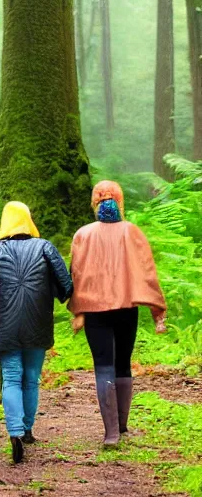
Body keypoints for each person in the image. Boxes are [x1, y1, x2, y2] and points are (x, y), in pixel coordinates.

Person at [68, 180, 167, 446]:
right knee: (123, 364)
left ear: (94, 203)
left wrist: (77, 310)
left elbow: (76, 273)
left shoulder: (83, 234)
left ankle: (111, 433)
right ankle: (122, 426)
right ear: (120, 202)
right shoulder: (132, 232)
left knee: (103, 366)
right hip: (126, 309)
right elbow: (147, 272)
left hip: (95, 310)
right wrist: (157, 309)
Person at [0, 202, 72, 463]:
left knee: (11, 377)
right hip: (37, 324)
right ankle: (27, 429)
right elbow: (66, 285)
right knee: (31, 378)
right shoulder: (46, 248)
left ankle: (14, 432)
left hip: (5, 327)